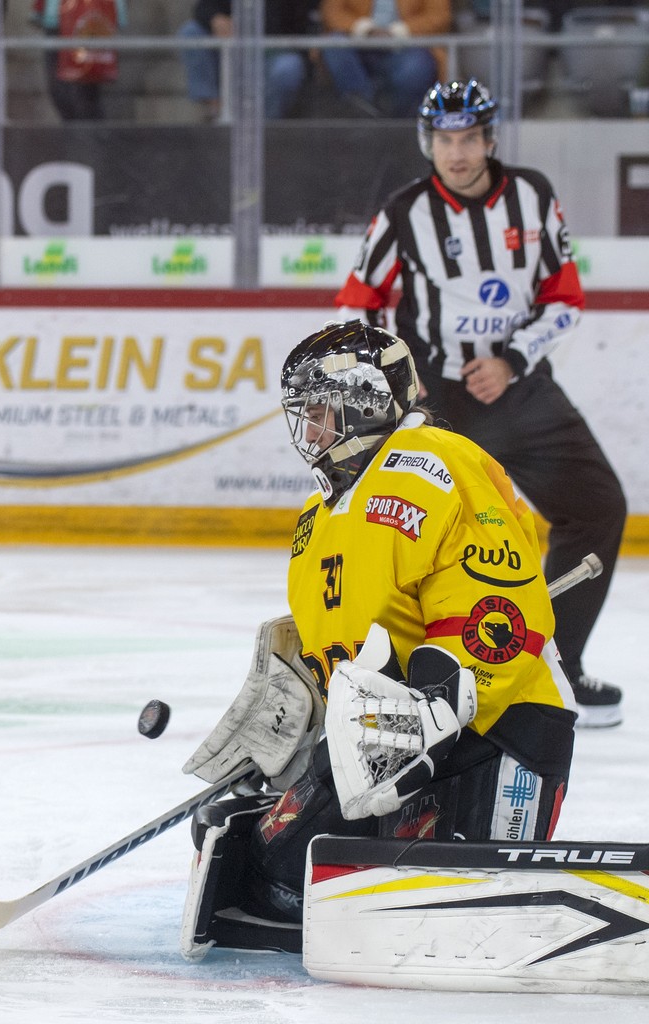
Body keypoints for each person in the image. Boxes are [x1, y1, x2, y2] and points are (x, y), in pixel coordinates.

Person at [180, 320, 575, 956]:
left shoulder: (440, 463)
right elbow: (335, 649)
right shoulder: (317, 518)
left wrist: (430, 704)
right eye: (301, 415)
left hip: (496, 728)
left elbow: (495, 611)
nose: (307, 432)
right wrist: (294, 713)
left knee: (455, 894)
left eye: (319, 412)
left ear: (364, 400)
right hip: (380, 747)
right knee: (271, 866)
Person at [333, 78, 624, 727]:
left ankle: (558, 666)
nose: (457, 152)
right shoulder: (403, 213)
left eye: (469, 138)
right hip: (433, 400)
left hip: (519, 387)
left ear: (489, 140)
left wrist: (512, 359)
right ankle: (402, 672)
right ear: (428, 143)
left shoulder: (532, 196)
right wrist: (392, 383)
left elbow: (564, 297)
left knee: (598, 508)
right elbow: (358, 303)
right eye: (444, 139)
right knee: (420, 538)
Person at [176, 0, 315, 121]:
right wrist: (215, 18)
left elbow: (299, 26)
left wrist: (246, 28)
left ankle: (265, 124)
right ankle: (217, 110)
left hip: (271, 53)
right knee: (191, 32)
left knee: (289, 66)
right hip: (231, 51)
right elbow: (203, 7)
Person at [319, 0, 448, 117]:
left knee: (416, 66)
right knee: (335, 43)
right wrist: (364, 29)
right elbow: (332, 12)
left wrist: (398, 31)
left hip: (408, 45)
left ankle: (398, 121)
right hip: (356, 43)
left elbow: (438, 16)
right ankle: (363, 108)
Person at [34, 0, 127, 121]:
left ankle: (90, 137)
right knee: (60, 92)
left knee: (85, 92)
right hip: (56, 19)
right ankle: (79, 137)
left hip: (88, 15)